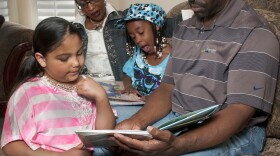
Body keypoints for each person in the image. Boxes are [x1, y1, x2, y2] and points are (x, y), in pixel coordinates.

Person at [113, 0, 280, 155]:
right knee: (109, 128)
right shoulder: (183, 28)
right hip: (178, 118)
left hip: (234, 131)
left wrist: (178, 145)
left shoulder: (256, 33)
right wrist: (136, 122)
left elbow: (239, 112)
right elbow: (167, 87)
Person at [0, 17, 115, 156]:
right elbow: (10, 145)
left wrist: (101, 97)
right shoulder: (28, 93)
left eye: (79, 53)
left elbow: (102, 137)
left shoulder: (87, 85)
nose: (76, 63)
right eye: (64, 58)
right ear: (42, 59)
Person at [118, 3, 171, 99]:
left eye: (141, 33)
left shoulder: (173, 58)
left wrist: (152, 99)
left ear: (156, 26)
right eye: (133, 37)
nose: (137, 40)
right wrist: (129, 86)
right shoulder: (138, 53)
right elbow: (127, 75)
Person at [74, 0, 129, 82]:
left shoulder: (123, 19)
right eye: (83, 4)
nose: (90, 7)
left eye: (93, 0)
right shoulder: (75, 28)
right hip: (87, 83)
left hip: (121, 82)